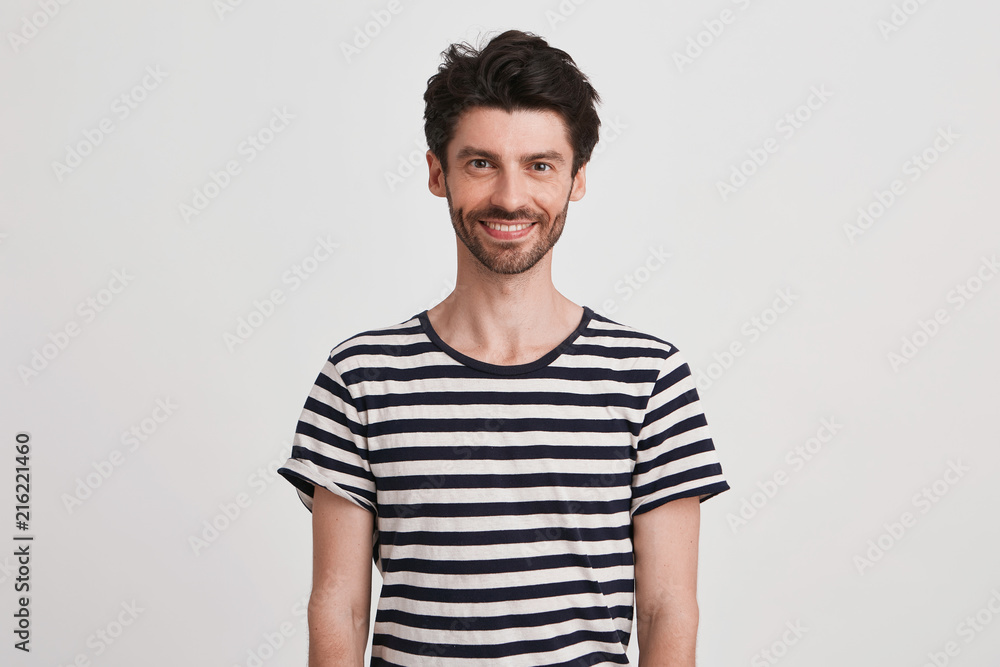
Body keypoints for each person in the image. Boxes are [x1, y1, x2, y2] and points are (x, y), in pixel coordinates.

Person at [277, 29, 729, 667]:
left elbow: (667, 610)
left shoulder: (649, 376)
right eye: (481, 162)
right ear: (439, 172)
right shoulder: (360, 377)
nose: (511, 198)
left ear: (575, 178)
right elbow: (339, 605)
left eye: (539, 165)